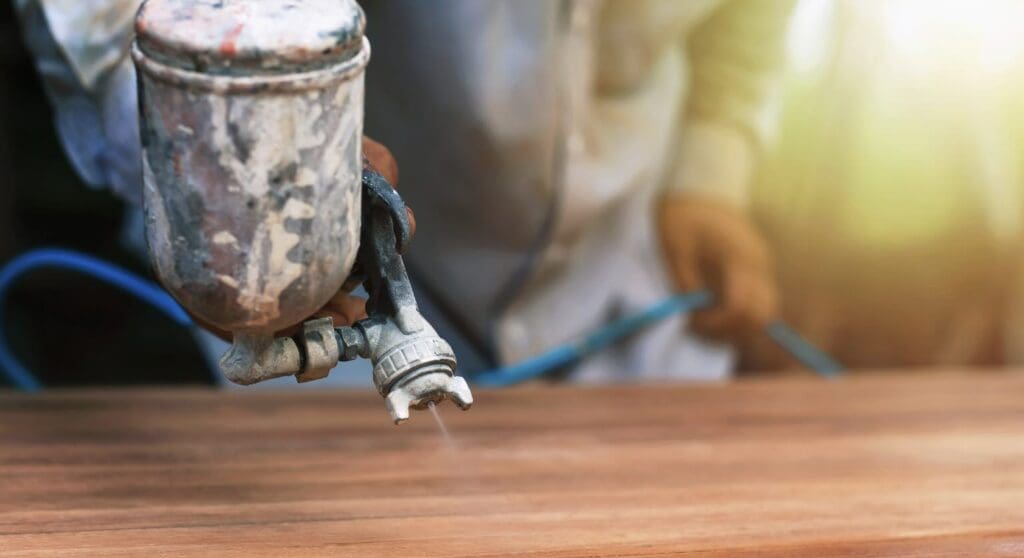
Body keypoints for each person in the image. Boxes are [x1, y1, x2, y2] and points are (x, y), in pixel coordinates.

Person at [13, 0, 795, 384]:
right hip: (317, 316)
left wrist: (711, 170)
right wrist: (209, 167)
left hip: (633, 309)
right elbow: (115, 17)